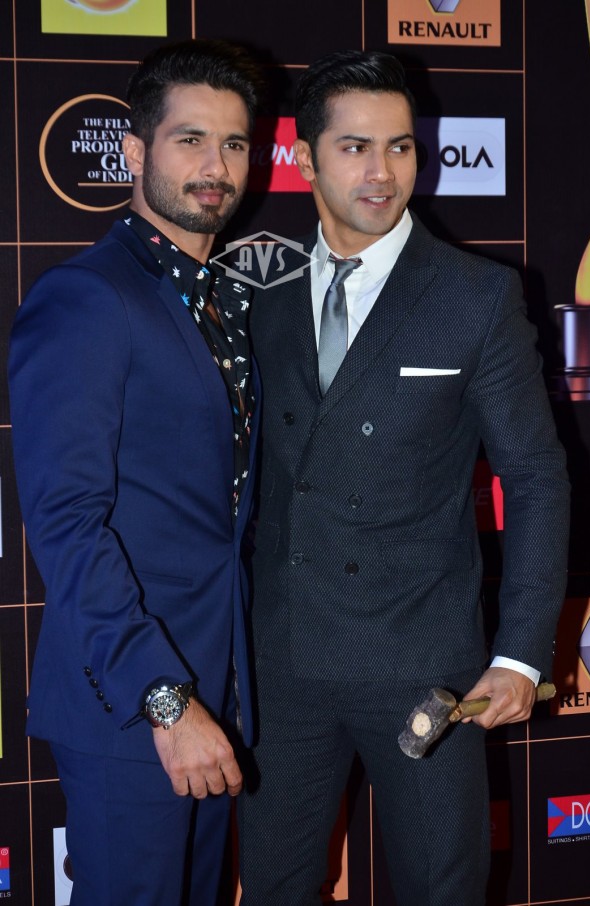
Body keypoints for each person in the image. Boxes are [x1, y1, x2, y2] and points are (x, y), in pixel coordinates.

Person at [239, 50, 570, 906]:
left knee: (441, 889)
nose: (382, 172)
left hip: (422, 665)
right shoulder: (262, 295)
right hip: (283, 659)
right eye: (354, 148)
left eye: (400, 147)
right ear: (304, 158)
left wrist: (521, 654)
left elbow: (535, 477)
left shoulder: (476, 295)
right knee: (273, 887)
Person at [9, 38, 263, 906]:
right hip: (132, 706)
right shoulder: (87, 298)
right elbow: (66, 523)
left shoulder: (222, 302)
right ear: (132, 152)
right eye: (190, 140)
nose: (215, 167)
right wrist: (165, 700)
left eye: (234, 144)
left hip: (217, 696)